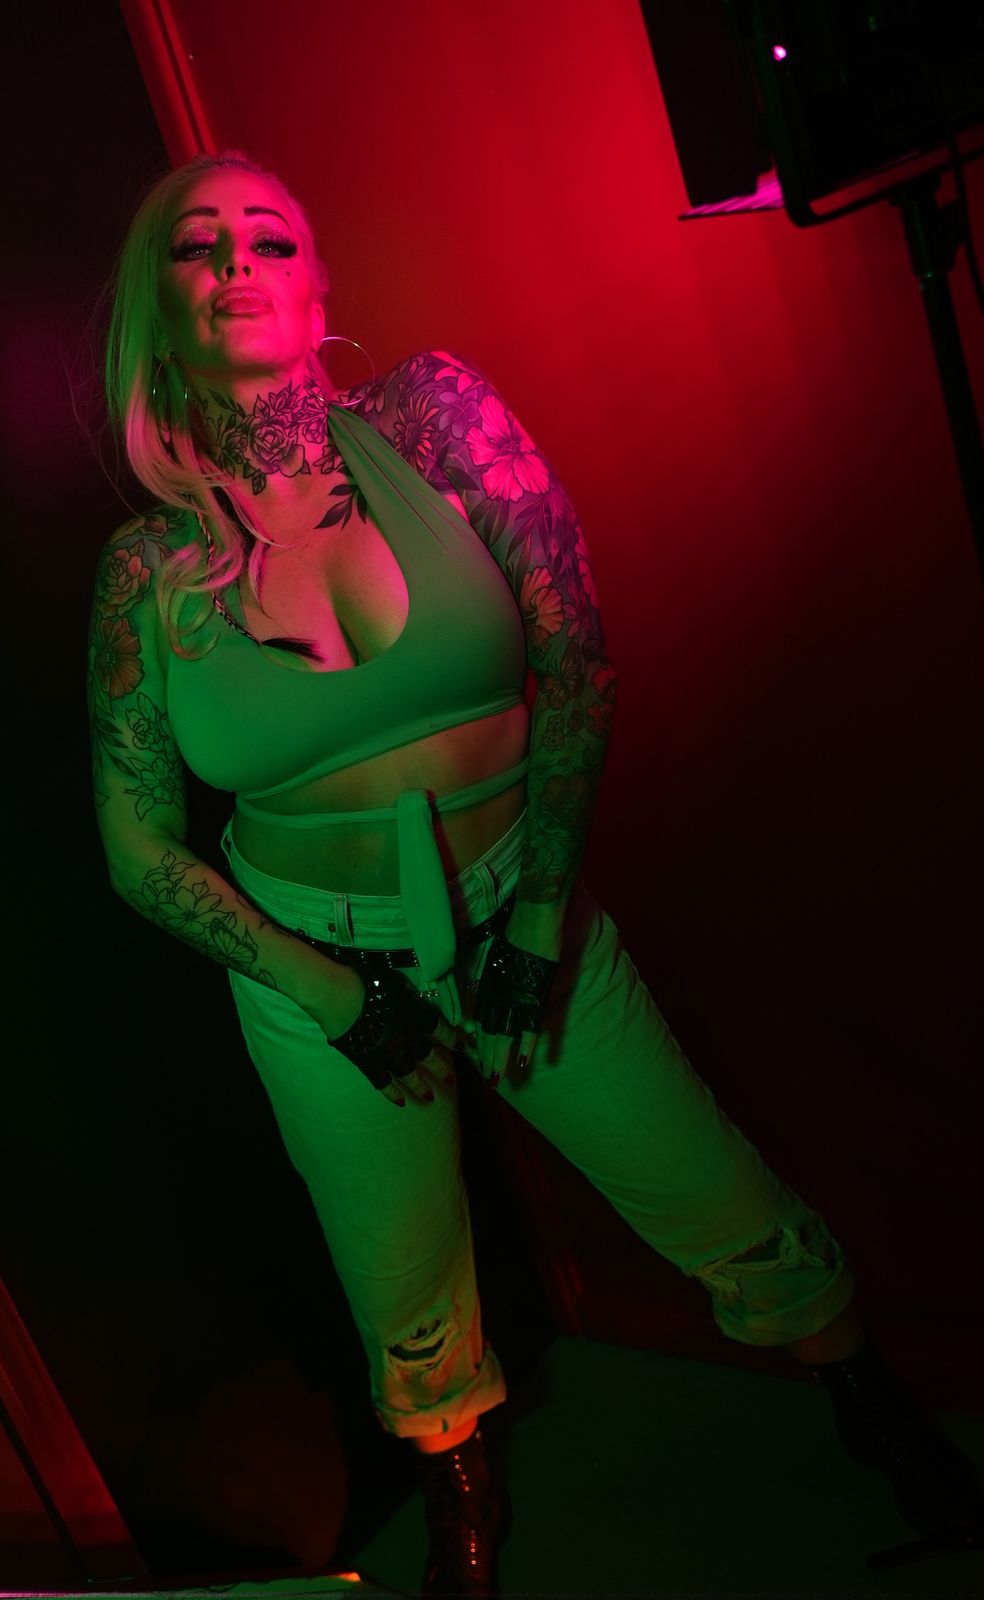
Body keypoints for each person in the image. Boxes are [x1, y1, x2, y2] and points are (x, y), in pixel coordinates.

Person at [89, 150, 982, 1595]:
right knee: (402, 1280)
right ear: (160, 304)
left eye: (271, 237)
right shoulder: (146, 574)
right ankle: (461, 1501)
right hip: (318, 971)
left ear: (319, 287)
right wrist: (331, 992)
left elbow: (576, 656)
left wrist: (547, 912)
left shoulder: (435, 416)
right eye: (200, 245)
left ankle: (872, 1407)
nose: (238, 260)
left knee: (706, 1188)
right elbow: (137, 847)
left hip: (523, 901)